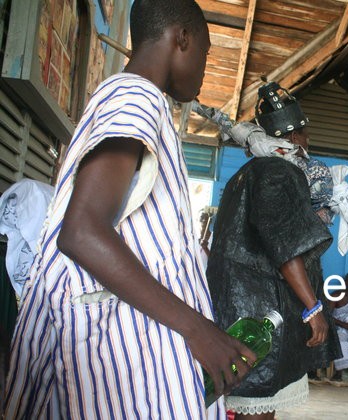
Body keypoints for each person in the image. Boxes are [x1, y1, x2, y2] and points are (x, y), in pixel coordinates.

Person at [3, 1, 256, 418]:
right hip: (118, 351)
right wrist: (198, 330)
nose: (206, 68)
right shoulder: (134, 96)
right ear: (183, 38)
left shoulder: (136, 100)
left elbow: (137, 226)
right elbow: (81, 232)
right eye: (206, 54)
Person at [205, 82, 340, 420]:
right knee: (258, 410)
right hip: (264, 315)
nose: (307, 143)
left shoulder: (245, 175)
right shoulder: (281, 172)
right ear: (294, 137)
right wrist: (313, 309)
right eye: (305, 134)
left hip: (240, 306)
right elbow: (285, 247)